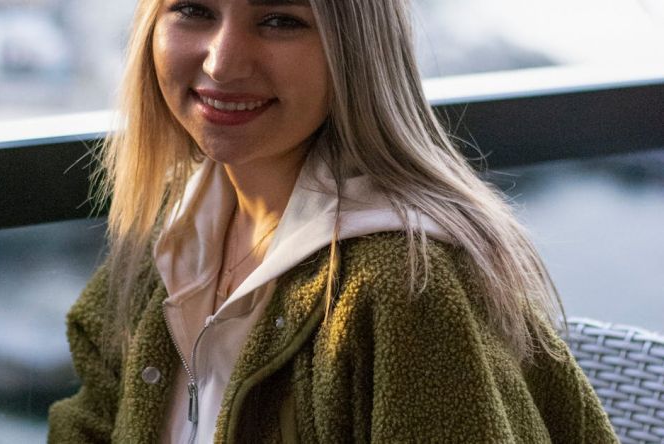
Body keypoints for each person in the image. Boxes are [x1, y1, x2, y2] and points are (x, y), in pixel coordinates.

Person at [48, 0, 618, 442]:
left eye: (279, 19)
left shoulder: (406, 287)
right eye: (194, 10)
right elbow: (90, 422)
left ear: (356, 50)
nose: (222, 61)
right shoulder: (175, 233)